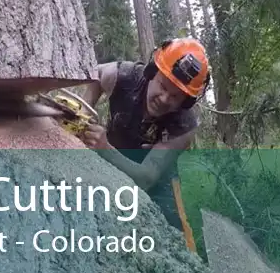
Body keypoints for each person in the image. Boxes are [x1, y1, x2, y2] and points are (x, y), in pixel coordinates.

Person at [79, 38, 211, 253]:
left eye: (176, 97)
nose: (165, 98)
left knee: (176, 236)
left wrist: (104, 149)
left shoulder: (184, 125)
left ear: (186, 102)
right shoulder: (124, 75)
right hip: (113, 156)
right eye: (163, 86)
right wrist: (84, 112)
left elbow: (147, 178)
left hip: (157, 177)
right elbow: (96, 75)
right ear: (152, 72)